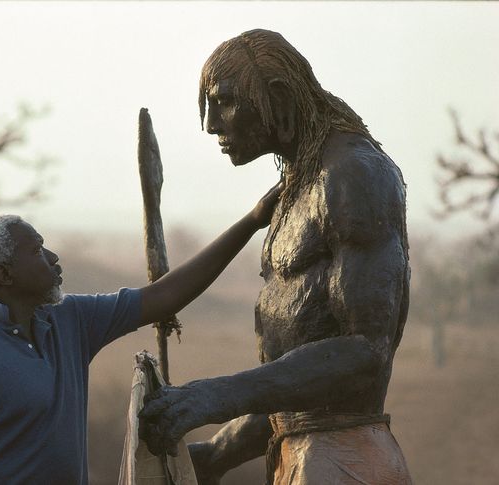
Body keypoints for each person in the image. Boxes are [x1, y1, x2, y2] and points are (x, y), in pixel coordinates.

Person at [139, 28, 412, 484]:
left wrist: (219, 394)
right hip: (305, 456)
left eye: (225, 101)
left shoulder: (352, 174)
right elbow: (293, 389)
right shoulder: (297, 185)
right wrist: (215, 455)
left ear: (278, 97)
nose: (212, 123)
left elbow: (365, 352)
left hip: (344, 461)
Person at [0, 181, 282, 485]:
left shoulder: (68, 320)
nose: (53, 258)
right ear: (4, 274)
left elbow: (164, 296)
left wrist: (251, 221)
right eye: (36, 251)